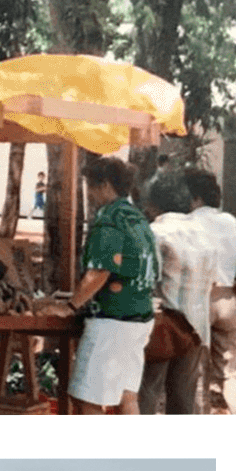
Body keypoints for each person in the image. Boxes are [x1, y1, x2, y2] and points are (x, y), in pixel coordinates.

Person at [66, 154, 158, 414]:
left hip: (112, 321)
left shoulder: (109, 220)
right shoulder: (138, 219)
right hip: (139, 318)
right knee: (126, 396)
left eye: (91, 187)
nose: (91, 195)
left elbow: (98, 273)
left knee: (88, 399)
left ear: (104, 185)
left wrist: (71, 305)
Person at [138, 170, 218, 416]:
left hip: (163, 327)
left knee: (147, 393)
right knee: (183, 399)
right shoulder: (206, 234)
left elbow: (146, 280)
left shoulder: (155, 234)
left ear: (153, 204)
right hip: (197, 329)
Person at [185, 169, 236, 412]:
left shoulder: (186, 224)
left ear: (194, 197)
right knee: (231, 374)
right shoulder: (235, 224)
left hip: (195, 301)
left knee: (194, 373)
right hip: (228, 301)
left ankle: (198, 436)